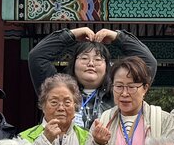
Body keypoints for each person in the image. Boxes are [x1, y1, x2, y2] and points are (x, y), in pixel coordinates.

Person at [28, 26, 159, 129]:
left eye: (98, 59)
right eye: (84, 58)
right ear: (73, 64)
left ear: (107, 67)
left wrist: (117, 37)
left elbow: (149, 63)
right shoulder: (56, 87)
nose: (91, 63)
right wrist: (71, 35)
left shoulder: (118, 93)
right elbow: (37, 56)